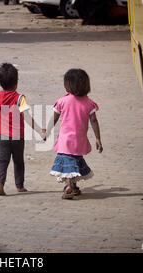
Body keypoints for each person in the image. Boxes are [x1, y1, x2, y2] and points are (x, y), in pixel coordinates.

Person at [45, 69, 103, 199]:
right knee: (75, 161)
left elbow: (54, 119)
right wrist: (98, 139)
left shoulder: (62, 101)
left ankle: (69, 187)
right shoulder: (89, 103)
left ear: (68, 86)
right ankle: (74, 186)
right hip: (80, 140)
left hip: (65, 141)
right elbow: (94, 121)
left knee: (68, 164)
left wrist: (47, 132)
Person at [0, 63, 45, 196]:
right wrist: (39, 130)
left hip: (2, 135)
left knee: (2, 160)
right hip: (18, 136)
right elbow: (27, 117)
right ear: (16, 82)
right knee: (18, 161)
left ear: (0, 82)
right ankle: (19, 186)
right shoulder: (19, 98)